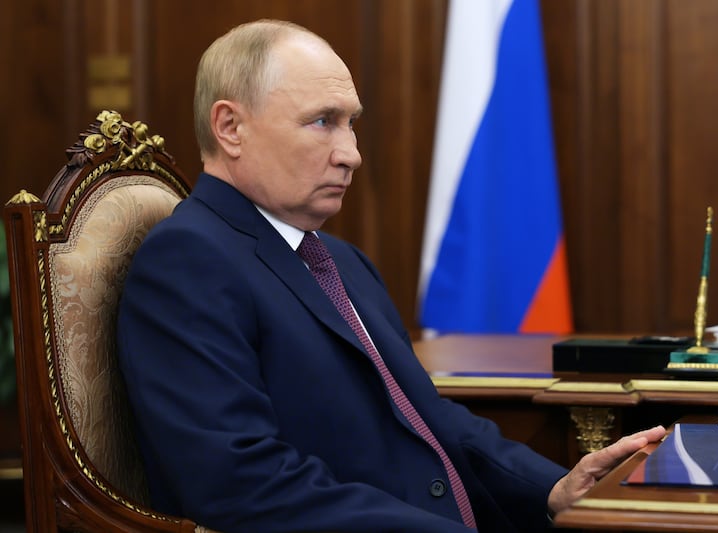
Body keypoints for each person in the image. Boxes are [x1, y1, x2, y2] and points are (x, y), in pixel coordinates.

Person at [116, 19, 665, 532]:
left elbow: (426, 416)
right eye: (322, 121)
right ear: (230, 127)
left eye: (351, 123)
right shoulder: (188, 261)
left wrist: (554, 488)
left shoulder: (340, 260)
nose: (351, 154)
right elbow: (241, 482)